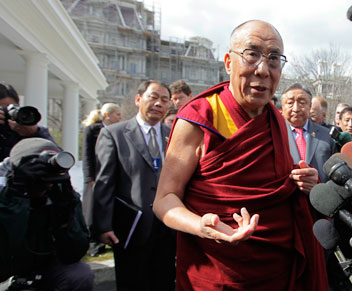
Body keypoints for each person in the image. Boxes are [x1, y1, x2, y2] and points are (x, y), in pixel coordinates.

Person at [152, 20, 327, 290]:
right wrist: (201, 226)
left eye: (273, 59)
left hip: (276, 270)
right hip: (215, 270)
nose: (263, 69)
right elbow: (164, 200)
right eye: (252, 54)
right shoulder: (200, 117)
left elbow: (277, 185)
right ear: (228, 62)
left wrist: (305, 182)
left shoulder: (276, 120)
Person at [92, 80, 175, 290]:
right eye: (153, 97)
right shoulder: (115, 134)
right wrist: (103, 225)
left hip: (167, 228)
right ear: (138, 100)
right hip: (131, 227)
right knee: (132, 281)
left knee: (164, 281)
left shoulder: (173, 135)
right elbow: (104, 182)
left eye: (164, 100)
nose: (159, 104)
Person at [0, 138, 93, 290]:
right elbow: (1, 251)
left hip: (46, 267)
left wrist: (64, 211)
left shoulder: (61, 193)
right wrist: (20, 194)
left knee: (79, 274)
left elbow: (74, 253)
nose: (46, 185)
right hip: (0, 271)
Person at [80, 102, 121, 256]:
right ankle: (93, 243)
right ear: (108, 115)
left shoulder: (117, 131)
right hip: (95, 177)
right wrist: (90, 177)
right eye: (117, 114)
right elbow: (87, 155)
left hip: (109, 176)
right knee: (92, 210)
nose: (120, 117)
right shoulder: (92, 129)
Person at [0, 82, 55, 168]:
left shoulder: (29, 130)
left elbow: (57, 158)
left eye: (8, 108)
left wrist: (34, 134)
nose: (3, 113)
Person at [281, 83, 336, 182]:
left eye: (302, 102)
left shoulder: (327, 136)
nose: (296, 109)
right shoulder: (274, 134)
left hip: (319, 195)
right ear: (282, 107)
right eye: (290, 103)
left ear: (310, 106)